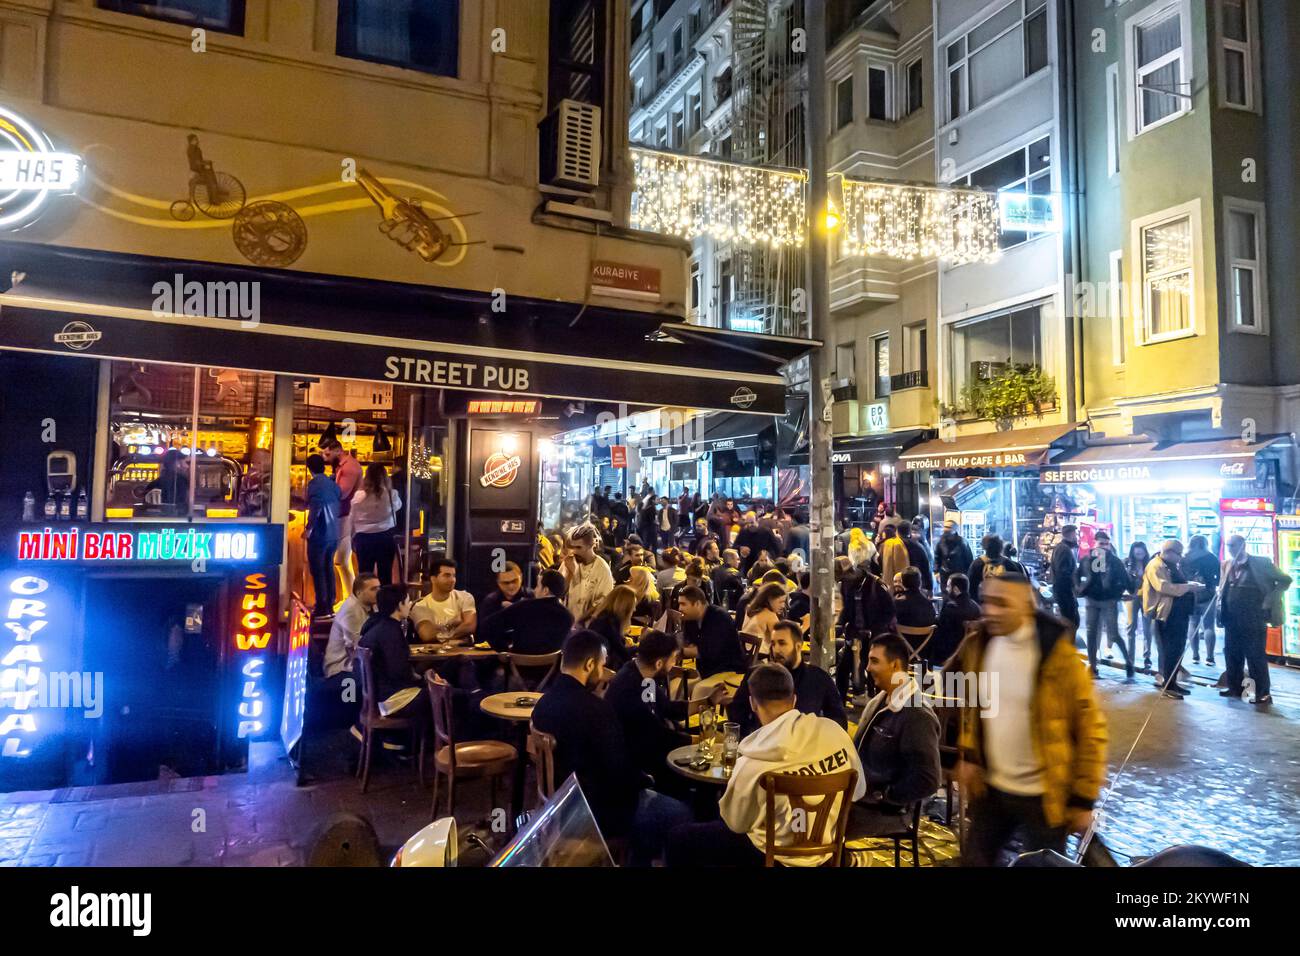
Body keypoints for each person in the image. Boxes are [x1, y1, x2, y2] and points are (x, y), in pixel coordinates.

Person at [955, 574, 1108, 866]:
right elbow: (974, 707)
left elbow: (1091, 729)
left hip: (1045, 796)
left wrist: (1083, 800)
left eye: (1002, 604)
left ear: (1026, 606)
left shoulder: (1057, 655)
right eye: (987, 601)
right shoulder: (981, 645)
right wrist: (971, 755)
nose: (990, 611)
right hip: (993, 789)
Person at [666, 663, 866, 868]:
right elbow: (858, 792)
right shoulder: (835, 734)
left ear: (752, 703)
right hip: (827, 854)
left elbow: (736, 823)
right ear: (794, 699)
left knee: (679, 839)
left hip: (771, 858)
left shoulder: (751, 763)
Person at [532, 630, 692, 866]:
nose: (603, 671)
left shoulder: (542, 704)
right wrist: (645, 780)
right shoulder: (597, 711)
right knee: (681, 813)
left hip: (560, 804)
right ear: (589, 664)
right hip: (596, 811)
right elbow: (619, 772)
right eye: (602, 664)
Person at [846, 634, 941, 838]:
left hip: (887, 812)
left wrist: (883, 796)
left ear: (896, 665)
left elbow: (928, 779)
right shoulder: (880, 700)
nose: (867, 668)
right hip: (859, 797)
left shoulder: (916, 715)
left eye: (874, 661)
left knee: (818, 824)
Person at [605, 628, 723, 792]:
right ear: (659, 663)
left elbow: (667, 708)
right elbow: (659, 737)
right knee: (708, 774)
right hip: (639, 765)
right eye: (673, 659)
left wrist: (708, 701)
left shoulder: (642, 675)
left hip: (653, 746)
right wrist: (704, 740)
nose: (675, 663)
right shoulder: (630, 690)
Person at [728, 621, 845, 737]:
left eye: (782, 643)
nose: (776, 650)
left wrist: (815, 738)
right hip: (762, 745)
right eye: (773, 644)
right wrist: (752, 738)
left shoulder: (818, 678)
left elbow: (838, 719)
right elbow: (737, 713)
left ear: (798, 646)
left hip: (803, 748)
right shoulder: (756, 675)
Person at [1218, 533, 1291, 705]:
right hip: (1231, 618)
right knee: (1232, 654)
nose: (1230, 549)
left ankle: (1263, 693)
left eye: (1233, 546)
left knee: (1255, 656)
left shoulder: (1261, 562)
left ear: (1243, 546)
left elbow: (1285, 580)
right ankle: (1235, 687)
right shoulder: (1226, 564)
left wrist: (1270, 599)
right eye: (1228, 546)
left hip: (1253, 617)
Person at [355, 585, 425, 730]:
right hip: (393, 700)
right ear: (399, 605)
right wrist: (423, 678)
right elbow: (398, 672)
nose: (410, 604)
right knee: (449, 697)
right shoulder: (391, 631)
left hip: (377, 696)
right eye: (408, 601)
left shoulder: (374, 625)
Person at [1140, 539, 1203, 699]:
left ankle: (1172, 683)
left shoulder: (1171, 565)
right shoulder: (1156, 565)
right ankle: (1168, 686)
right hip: (1166, 614)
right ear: (1168, 552)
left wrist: (1189, 585)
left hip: (1179, 613)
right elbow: (1163, 587)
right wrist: (1188, 587)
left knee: (1177, 650)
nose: (1180, 557)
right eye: (1178, 554)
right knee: (1170, 650)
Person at [1074, 529, 1135, 680]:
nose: (1104, 546)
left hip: (1109, 600)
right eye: (1101, 543)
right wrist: (1079, 588)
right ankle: (1093, 667)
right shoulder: (1091, 558)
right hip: (1093, 600)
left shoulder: (1112, 560)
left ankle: (1128, 662)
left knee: (1113, 634)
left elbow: (1122, 578)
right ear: (1095, 543)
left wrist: (1129, 590)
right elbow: (1082, 575)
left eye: (1107, 544)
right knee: (1091, 633)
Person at [478, 569, 573, 655]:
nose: (535, 590)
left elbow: (486, 626)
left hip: (519, 669)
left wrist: (504, 649)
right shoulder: (568, 617)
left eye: (537, 586)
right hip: (552, 671)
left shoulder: (523, 607)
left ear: (545, 590)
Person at [679, 585, 747, 691]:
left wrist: (678, 651)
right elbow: (690, 645)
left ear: (697, 604)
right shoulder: (690, 619)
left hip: (729, 670)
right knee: (678, 688)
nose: (680, 608)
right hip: (707, 671)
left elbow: (708, 651)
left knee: (698, 689)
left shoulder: (719, 618)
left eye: (683, 604)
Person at [320, 437, 362, 596]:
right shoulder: (344, 466)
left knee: (341, 560)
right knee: (341, 560)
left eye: (327, 454)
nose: (325, 458)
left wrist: (325, 485)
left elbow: (341, 493)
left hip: (344, 515)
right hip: (343, 514)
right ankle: (349, 596)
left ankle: (350, 597)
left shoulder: (349, 468)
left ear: (338, 450)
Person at [349, 462, 402, 586]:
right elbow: (398, 506)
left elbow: (352, 517)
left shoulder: (359, 496)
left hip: (364, 537)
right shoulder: (391, 494)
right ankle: (384, 602)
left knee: (365, 576)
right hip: (385, 536)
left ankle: (366, 603)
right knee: (385, 574)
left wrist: (351, 537)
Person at [305, 453, 342, 618]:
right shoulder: (332, 484)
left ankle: (321, 606)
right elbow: (339, 498)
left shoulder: (314, 485)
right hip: (334, 532)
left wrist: (309, 528)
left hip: (320, 533)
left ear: (309, 468)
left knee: (318, 569)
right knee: (328, 568)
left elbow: (316, 507)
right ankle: (330, 604)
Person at [323, 573, 380, 683]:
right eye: (373, 589)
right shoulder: (351, 610)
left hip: (356, 666)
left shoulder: (372, 605)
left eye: (379, 588)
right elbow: (358, 647)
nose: (378, 592)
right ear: (359, 593)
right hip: (341, 670)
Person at [410, 557, 477, 644]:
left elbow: (470, 626)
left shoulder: (465, 597)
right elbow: (427, 635)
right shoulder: (421, 605)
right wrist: (453, 625)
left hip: (463, 653)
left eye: (454, 576)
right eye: (447, 575)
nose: (452, 580)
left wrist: (440, 633)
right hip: (436, 655)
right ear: (433, 579)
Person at [561, 523, 615, 622]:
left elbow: (602, 604)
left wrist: (579, 623)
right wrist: (570, 574)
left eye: (578, 547)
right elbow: (558, 594)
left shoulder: (603, 569)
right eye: (572, 547)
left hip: (588, 628)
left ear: (591, 545)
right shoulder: (568, 563)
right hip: (566, 626)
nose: (574, 551)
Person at [1182, 535, 1221, 666]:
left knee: (1193, 624)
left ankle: (1195, 655)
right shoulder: (1211, 557)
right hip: (1208, 594)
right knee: (1209, 626)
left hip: (1191, 593)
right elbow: (1219, 577)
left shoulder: (1185, 558)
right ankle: (1210, 657)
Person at [930, 573, 981, 668]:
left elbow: (941, 630)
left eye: (949, 586)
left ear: (956, 589)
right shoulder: (976, 607)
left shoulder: (950, 607)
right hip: (970, 653)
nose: (946, 589)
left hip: (949, 655)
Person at [586, 585, 637, 670]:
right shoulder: (609, 622)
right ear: (625, 608)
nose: (634, 609)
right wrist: (641, 648)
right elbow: (621, 653)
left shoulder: (603, 616)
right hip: (601, 670)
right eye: (633, 606)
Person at [967, 534, 1026, 603]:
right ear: (1001, 547)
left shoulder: (977, 564)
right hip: (1006, 606)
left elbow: (971, 589)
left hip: (984, 606)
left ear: (985, 547)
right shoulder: (1011, 565)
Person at [1125, 541, 1154, 669]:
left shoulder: (1150, 563)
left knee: (1148, 627)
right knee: (1131, 627)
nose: (1139, 555)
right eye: (1137, 553)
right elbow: (1123, 579)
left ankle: (1147, 656)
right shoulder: (1127, 563)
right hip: (1131, 596)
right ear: (1132, 552)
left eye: (1141, 552)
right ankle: (1130, 658)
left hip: (1147, 597)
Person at [741, 581, 787, 657]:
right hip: (759, 661)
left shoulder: (751, 610)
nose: (783, 606)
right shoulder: (770, 615)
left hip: (745, 657)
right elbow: (783, 641)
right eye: (780, 602)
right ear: (769, 599)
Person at [1049, 525, 1080, 628]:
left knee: (1071, 620)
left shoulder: (1062, 548)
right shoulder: (1064, 549)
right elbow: (1062, 573)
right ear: (1071, 534)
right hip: (1064, 592)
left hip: (1063, 591)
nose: (1077, 537)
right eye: (1075, 534)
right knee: (1071, 621)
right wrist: (1072, 587)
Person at [145, 448, 190, 516]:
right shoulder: (181, 481)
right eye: (185, 462)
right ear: (177, 463)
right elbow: (183, 504)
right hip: (177, 519)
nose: (187, 466)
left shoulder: (155, 483)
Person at [733, 511, 781, 576]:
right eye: (747, 523)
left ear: (757, 520)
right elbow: (734, 546)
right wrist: (741, 548)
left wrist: (768, 556)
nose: (750, 525)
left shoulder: (766, 531)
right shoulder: (744, 531)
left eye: (752, 523)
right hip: (749, 565)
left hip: (764, 565)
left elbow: (776, 548)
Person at [933, 519, 974, 590]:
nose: (946, 529)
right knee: (946, 596)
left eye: (949, 527)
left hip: (959, 575)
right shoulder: (941, 542)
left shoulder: (962, 542)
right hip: (945, 575)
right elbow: (937, 558)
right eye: (945, 527)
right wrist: (936, 572)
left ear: (955, 529)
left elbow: (969, 559)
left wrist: (968, 575)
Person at [894, 566, 937, 631]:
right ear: (920, 582)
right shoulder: (928, 603)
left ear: (902, 582)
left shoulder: (897, 603)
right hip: (925, 639)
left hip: (903, 638)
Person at [898, 522, 934, 594]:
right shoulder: (918, 546)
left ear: (897, 532)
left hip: (898, 583)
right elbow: (926, 566)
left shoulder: (893, 545)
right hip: (917, 583)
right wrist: (930, 587)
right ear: (909, 532)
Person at [878, 523, 910, 591]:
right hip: (905, 583)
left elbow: (879, 562)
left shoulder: (883, 545)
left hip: (888, 582)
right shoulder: (905, 544)